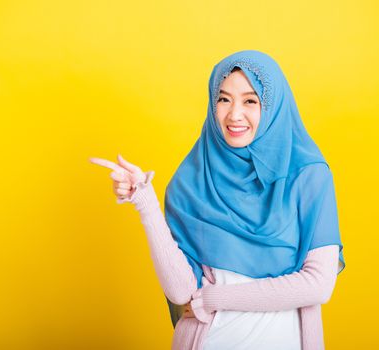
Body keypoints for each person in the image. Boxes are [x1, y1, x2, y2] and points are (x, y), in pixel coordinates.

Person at [90, 50, 345, 350]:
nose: (234, 114)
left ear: (273, 106)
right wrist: (145, 203)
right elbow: (182, 293)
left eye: (250, 101)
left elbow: (318, 284)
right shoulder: (190, 183)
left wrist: (214, 298)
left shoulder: (309, 176)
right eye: (224, 99)